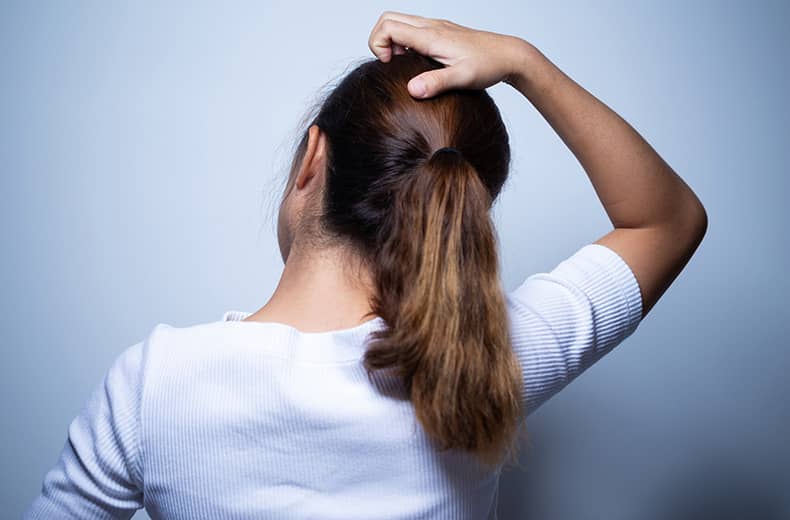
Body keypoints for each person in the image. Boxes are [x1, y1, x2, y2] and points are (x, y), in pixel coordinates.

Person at [24, 10, 707, 520]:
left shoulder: (156, 386)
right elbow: (668, 220)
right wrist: (525, 63)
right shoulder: (486, 361)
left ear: (311, 160)